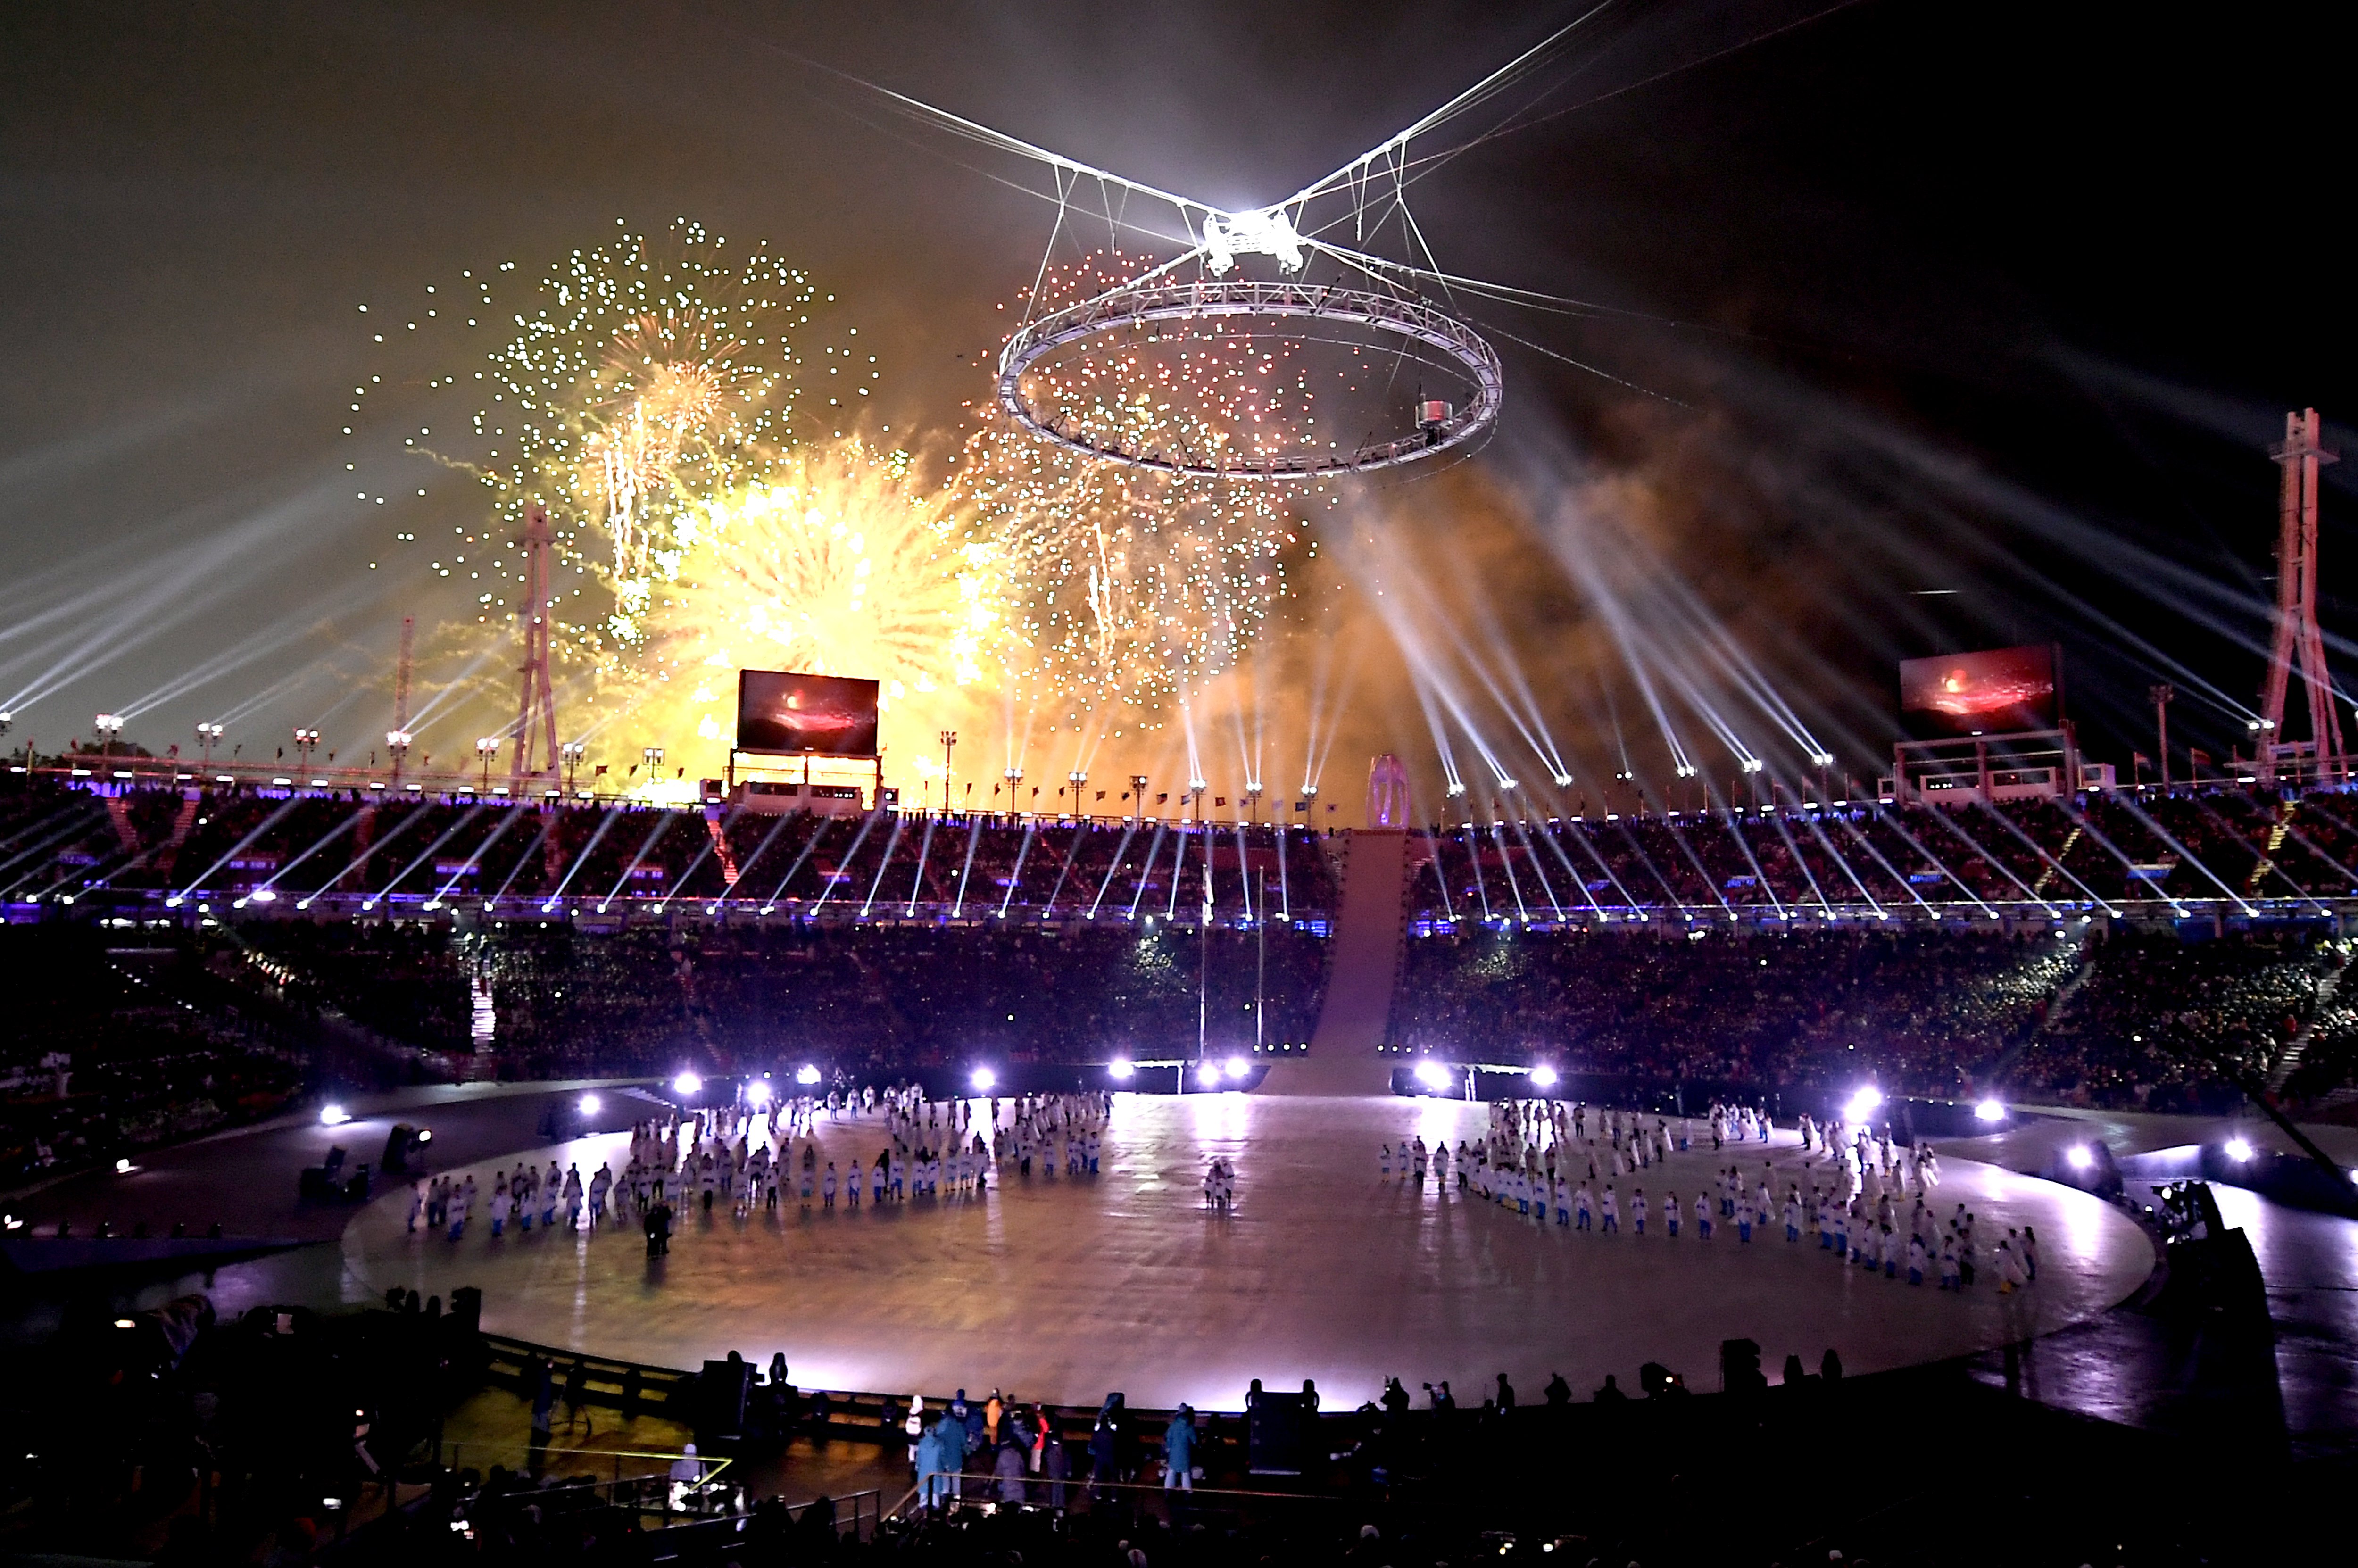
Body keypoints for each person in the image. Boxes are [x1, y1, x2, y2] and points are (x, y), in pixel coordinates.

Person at [1163, 1404, 1196, 1491]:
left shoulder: (1173, 1425)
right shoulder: (1189, 1426)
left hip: (1174, 1453)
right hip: (1185, 1453)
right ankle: (1187, 1491)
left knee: (1171, 1471)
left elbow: (1168, 1438)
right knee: (1186, 1473)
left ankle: (1168, 1489)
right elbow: (1194, 1440)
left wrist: (1168, 1448)